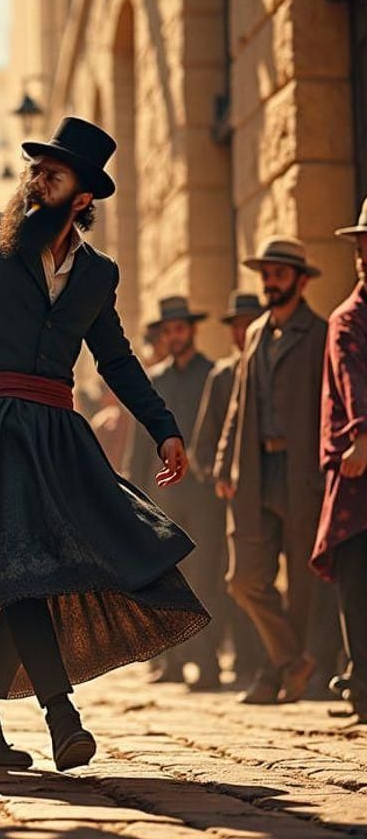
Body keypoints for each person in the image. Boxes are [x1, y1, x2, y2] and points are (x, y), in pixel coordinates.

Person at [0, 117, 208, 771]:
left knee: (32, 575)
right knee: (24, 573)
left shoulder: (97, 274)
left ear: (83, 197)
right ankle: (62, 719)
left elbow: (115, 359)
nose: (37, 179)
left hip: (57, 440)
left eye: (53, 173)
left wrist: (163, 426)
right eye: (35, 168)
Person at [214, 237, 338, 704]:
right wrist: (226, 461)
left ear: (301, 281)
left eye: (279, 274)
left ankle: (278, 671)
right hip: (255, 469)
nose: (270, 282)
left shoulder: (321, 334)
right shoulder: (257, 333)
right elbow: (237, 407)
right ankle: (293, 660)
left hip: (303, 470)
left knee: (305, 580)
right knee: (243, 578)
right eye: (265, 274)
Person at [125, 296, 218, 689]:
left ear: (192, 330)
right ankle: (173, 662)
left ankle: (208, 665)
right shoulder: (155, 380)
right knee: (166, 578)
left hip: (203, 493)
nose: (174, 335)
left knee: (205, 578)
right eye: (168, 330)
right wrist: (134, 493)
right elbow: (139, 440)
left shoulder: (212, 374)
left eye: (180, 328)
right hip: (163, 495)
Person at [189, 291, 264, 687]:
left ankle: (261, 662)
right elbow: (204, 445)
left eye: (249, 323)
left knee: (256, 581)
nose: (242, 332)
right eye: (237, 325)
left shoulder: (269, 369)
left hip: (268, 494)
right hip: (221, 500)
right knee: (217, 581)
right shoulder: (221, 376)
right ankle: (215, 663)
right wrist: (218, 478)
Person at [311, 199, 367, 725]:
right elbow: (351, 381)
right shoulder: (348, 317)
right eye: (360, 248)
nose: (364, 256)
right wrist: (362, 435)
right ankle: (362, 685)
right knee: (354, 574)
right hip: (357, 468)